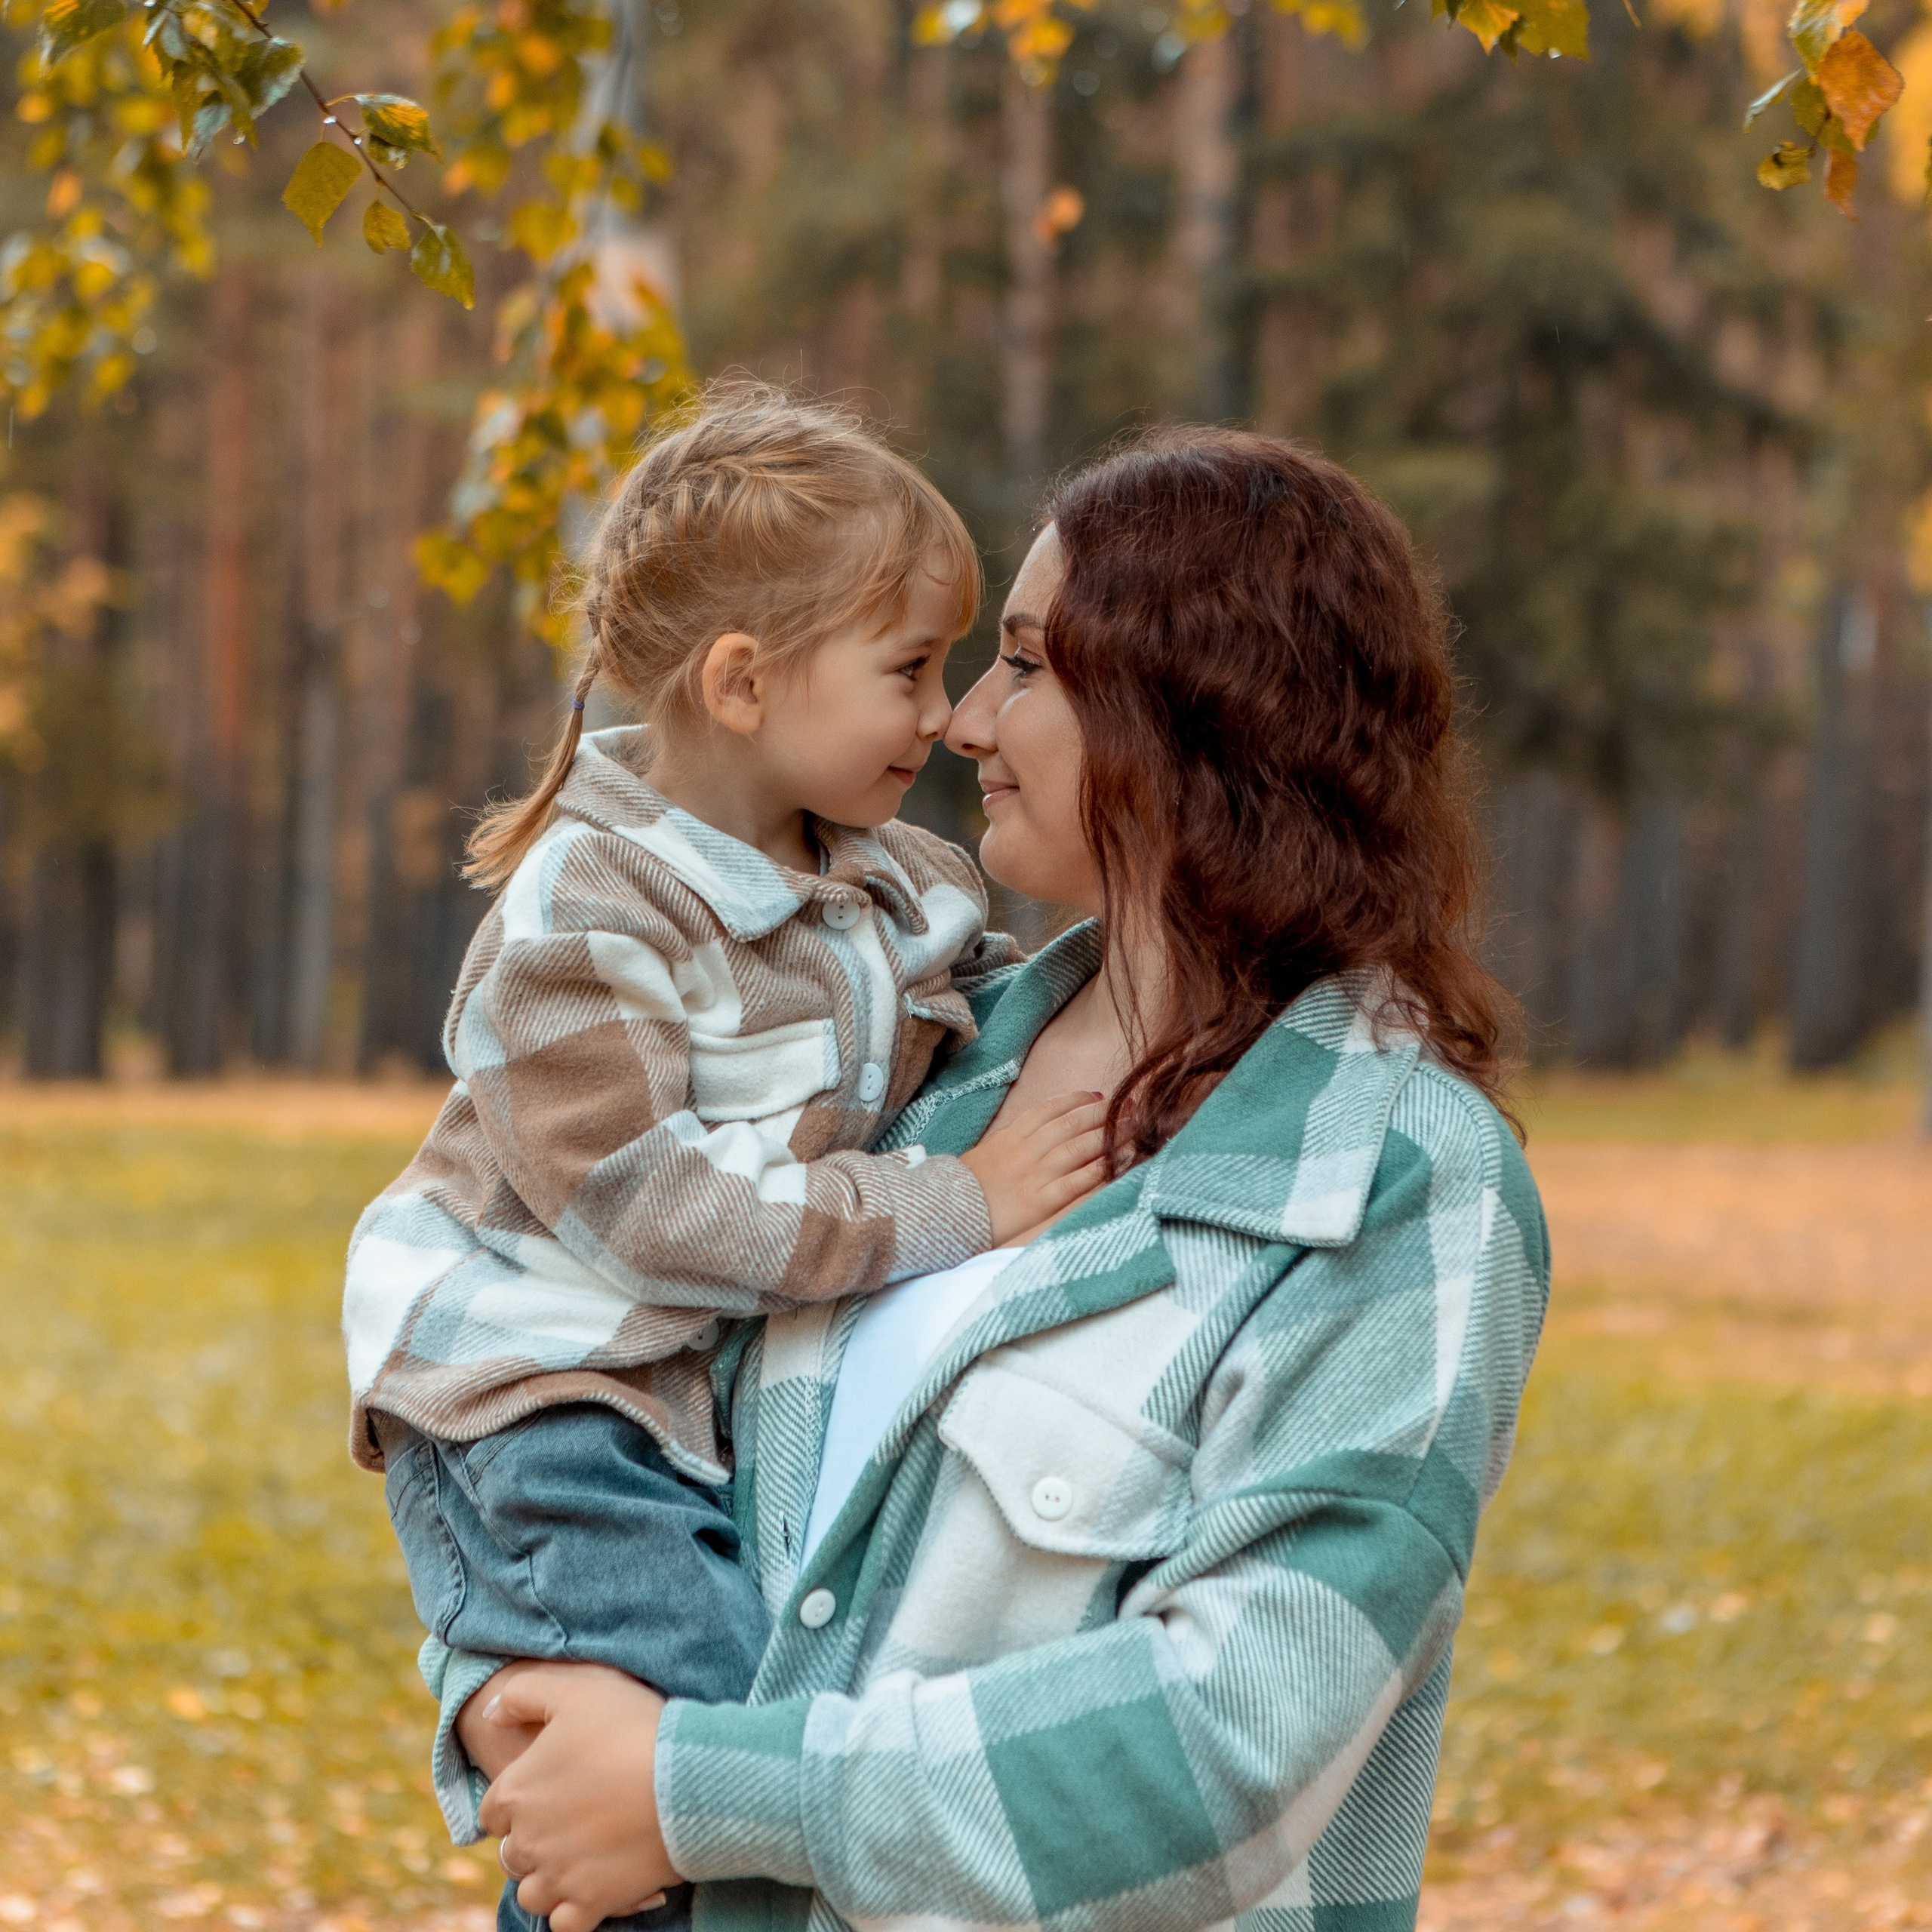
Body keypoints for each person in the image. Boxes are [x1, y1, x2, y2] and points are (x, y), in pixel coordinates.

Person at [451, 426, 1552, 1932]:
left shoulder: (1393, 1178)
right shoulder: (912, 1065)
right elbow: (566, 1354)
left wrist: (695, 1784)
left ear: (1198, 710)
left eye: (1024, 664)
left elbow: (1233, 1736)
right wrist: (507, 1688)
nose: (964, 719)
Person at [339, 386, 1109, 1931]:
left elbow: (957, 1015)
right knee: (693, 1745)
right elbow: (658, 1212)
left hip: (674, 1395)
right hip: (541, 1405)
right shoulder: (583, 921)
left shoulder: (883, 882)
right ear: (744, 682)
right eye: (907, 670)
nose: (944, 716)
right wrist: (957, 1201)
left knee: (705, 1757)